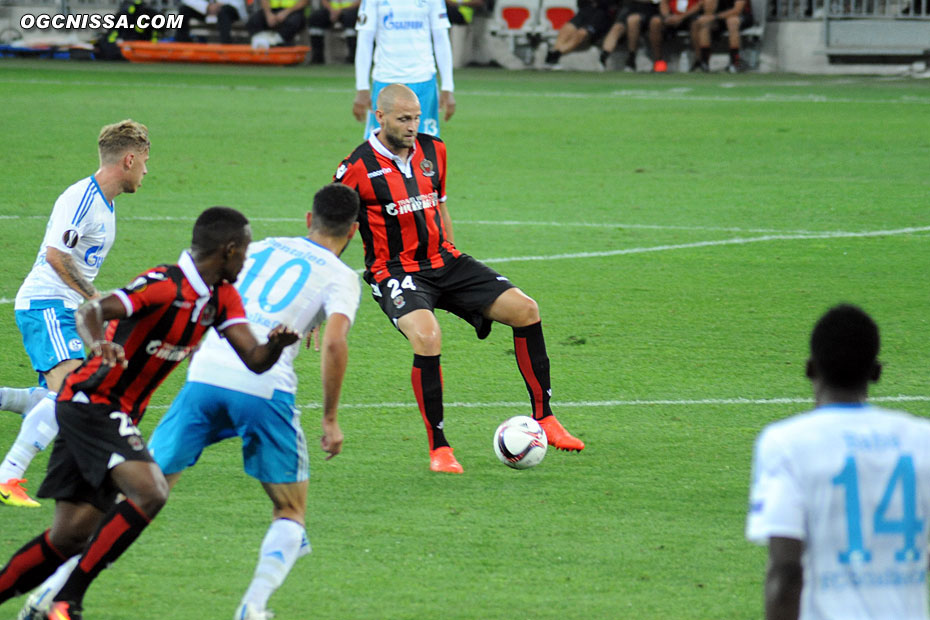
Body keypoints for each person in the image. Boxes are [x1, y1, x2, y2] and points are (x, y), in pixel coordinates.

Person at [16, 186, 361, 620]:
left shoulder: (265, 247)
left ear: (309, 219)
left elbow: (219, 294)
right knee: (289, 508)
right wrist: (330, 418)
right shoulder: (342, 277)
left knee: (143, 493)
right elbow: (334, 342)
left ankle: (52, 592)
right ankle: (252, 609)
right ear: (354, 231)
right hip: (263, 386)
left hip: (206, 376)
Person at [335, 84, 584, 474]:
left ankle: (546, 419)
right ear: (378, 117)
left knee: (525, 309)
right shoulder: (356, 167)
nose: (412, 126)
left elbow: (440, 204)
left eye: (416, 117)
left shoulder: (435, 150)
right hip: (395, 271)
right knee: (428, 336)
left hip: (445, 261)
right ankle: (440, 448)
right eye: (403, 119)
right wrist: (318, 289)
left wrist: (453, 256)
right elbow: (337, 229)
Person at [0, 119, 150, 508]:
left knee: (58, 397)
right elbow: (55, 255)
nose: (147, 171)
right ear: (129, 159)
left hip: (59, 308)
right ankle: (7, 476)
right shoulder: (82, 197)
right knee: (71, 393)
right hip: (45, 304)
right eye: (145, 162)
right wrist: (95, 297)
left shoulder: (106, 203)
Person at [746, 304, 930, 620]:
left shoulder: (787, 443)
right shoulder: (922, 440)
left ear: (810, 369)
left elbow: (787, 572)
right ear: (876, 372)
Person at [351, 0, 455, 138]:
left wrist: (448, 87)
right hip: (385, 79)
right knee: (381, 146)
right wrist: (362, 87)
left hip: (423, 79)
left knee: (425, 146)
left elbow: (441, 38)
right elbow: (365, 39)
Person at [542, 0, 617, 69]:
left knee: (582, 33)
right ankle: (554, 55)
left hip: (603, 15)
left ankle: (555, 55)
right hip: (586, 11)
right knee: (568, 28)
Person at [693, 0, 752, 72]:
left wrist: (714, 17)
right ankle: (704, 62)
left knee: (732, 21)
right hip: (721, 17)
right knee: (705, 23)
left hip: (741, 16)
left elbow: (737, 10)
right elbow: (702, 5)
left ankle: (735, 63)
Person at [649, 0, 707, 72]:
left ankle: (699, 61)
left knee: (697, 24)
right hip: (672, 16)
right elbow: (664, 3)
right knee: (655, 22)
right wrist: (667, 17)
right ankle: (658, 61)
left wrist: (681, 17)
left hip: (690, 16)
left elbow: (700, 4)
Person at [174, 0, 248, 44]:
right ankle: (182, 45)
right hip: (205, 8)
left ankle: (225, 48)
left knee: (223, 12)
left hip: (229, 8)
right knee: (183, 10)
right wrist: (207, 7)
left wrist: (219, 4)